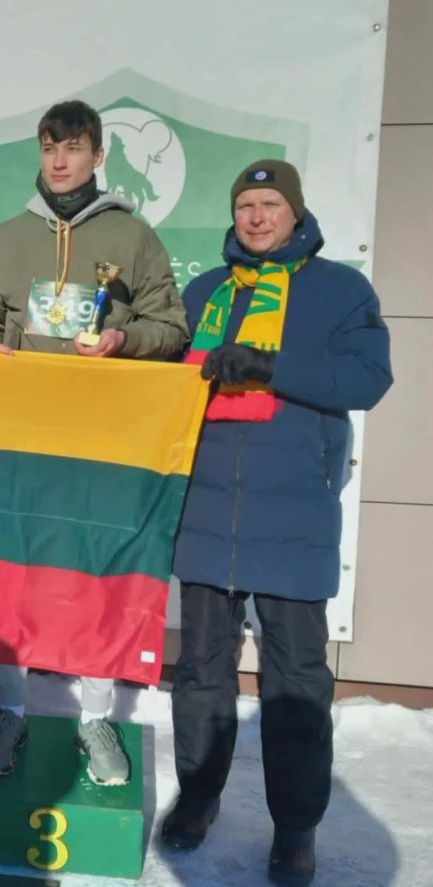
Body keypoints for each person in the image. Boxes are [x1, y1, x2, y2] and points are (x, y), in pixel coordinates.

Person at [162, 160, 392, 886]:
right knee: (201, 672)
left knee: (295, 680)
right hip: (206, 511)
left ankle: (296, 826)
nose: (257, 217)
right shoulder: (206, 291)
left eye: (270, 204)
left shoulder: (341, 289)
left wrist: (269, 366)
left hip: (294, 511)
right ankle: (199, 796)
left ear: (295, 212)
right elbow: (167, 382)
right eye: (246, 205)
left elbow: (367, 379)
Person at [0, 100, 189, 784]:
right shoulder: (7, 238)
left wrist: (124, 339)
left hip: (101, 441)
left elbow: (172, 327)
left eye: (72, 148)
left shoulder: (133, 236)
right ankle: (11, 710)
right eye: (49, 147)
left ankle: (95, 716)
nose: (59, 161)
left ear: (98, 155)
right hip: (20, 438)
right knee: (12, 575)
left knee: (95, 575)